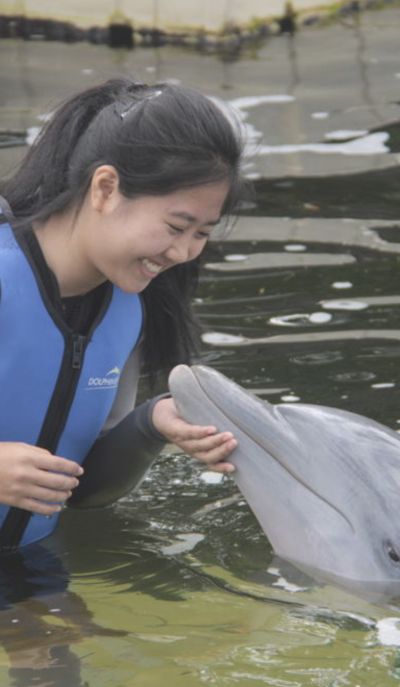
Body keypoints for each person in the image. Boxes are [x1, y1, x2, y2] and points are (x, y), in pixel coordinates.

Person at [0, 77, 244, 552]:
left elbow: (84, 491)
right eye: (176, 226)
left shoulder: (125, 307)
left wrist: (153, 425)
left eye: (202, 233)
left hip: (24, 569)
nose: (183, 252)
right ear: (106, 188)